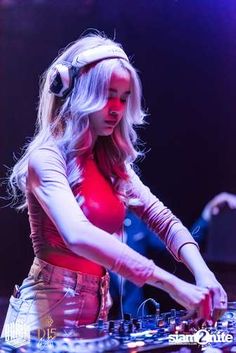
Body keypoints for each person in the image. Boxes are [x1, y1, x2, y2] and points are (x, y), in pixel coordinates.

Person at [1, 32, 227, 336]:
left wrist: (204, 274)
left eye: (123, 97)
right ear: (79, 91)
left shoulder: (111, 163)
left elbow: (161, 218)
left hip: (97, 308)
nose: (117, 108)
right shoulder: (46, 157)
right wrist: (171, 283)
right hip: (45, 316)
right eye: (108, 94)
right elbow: (77, 234)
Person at [109, 192, 236, 318]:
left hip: (135, 315)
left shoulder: (135, 225)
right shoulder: (92, 227)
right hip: (101, 318)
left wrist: (206, 215)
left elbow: (172, 238)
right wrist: (175, 286)